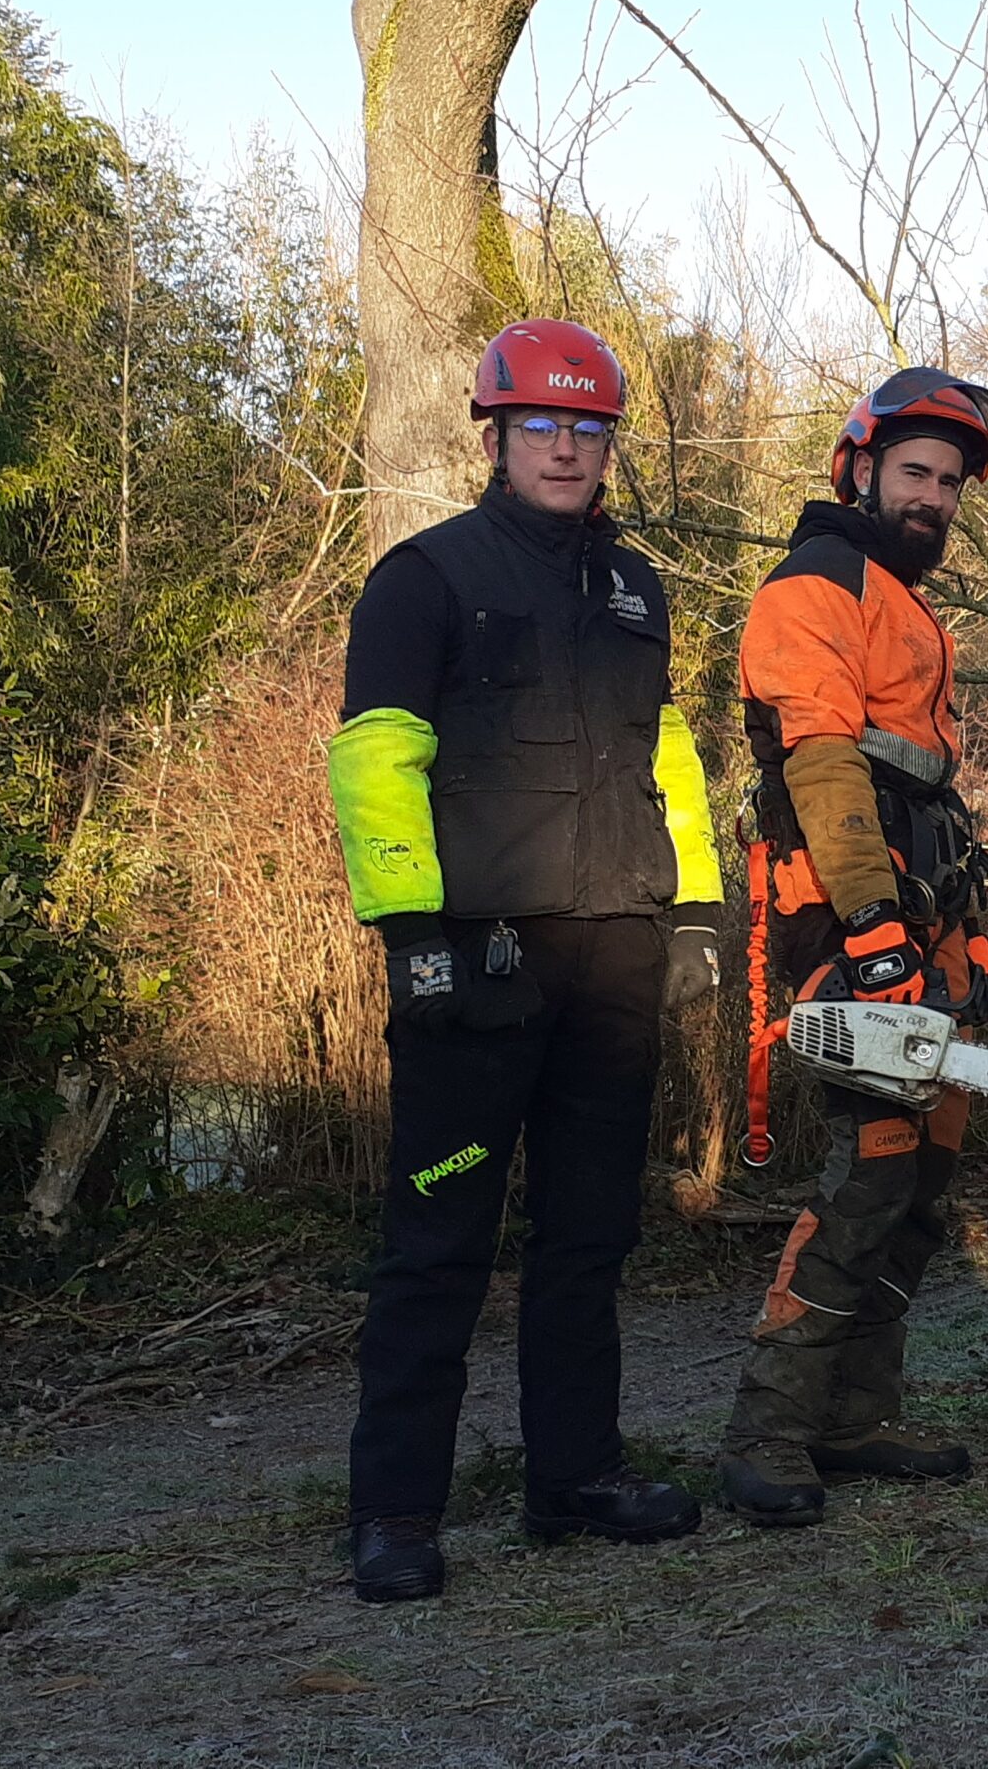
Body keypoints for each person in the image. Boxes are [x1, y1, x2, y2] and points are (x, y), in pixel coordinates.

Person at [327, 318, 726, 1602]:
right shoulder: (424, 576)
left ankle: (575, 1476)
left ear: (611, 443)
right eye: (543, 424)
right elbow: (377, 761)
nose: (566, 446)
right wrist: (415, 942)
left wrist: (700, 914)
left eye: (589, 426)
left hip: (616, 954)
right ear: (494, 433)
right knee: (439, 1240)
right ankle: (395, 1510)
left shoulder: (636, 589)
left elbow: (667, 759)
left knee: (588, 1236)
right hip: (480, 962)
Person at [716, 367, 988, 1526]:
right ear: (858, 467)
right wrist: (874, 935)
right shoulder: (816, 587)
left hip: (920, 922)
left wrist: (961, 938)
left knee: (922, 1186)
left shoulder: (903, 599)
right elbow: (826, 768)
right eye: (916, 473)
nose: (935, 496)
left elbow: (923, 801)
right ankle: (769, 1429)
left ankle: (857, 1413)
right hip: (849, 924)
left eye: (949, 482)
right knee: (867, 1179)